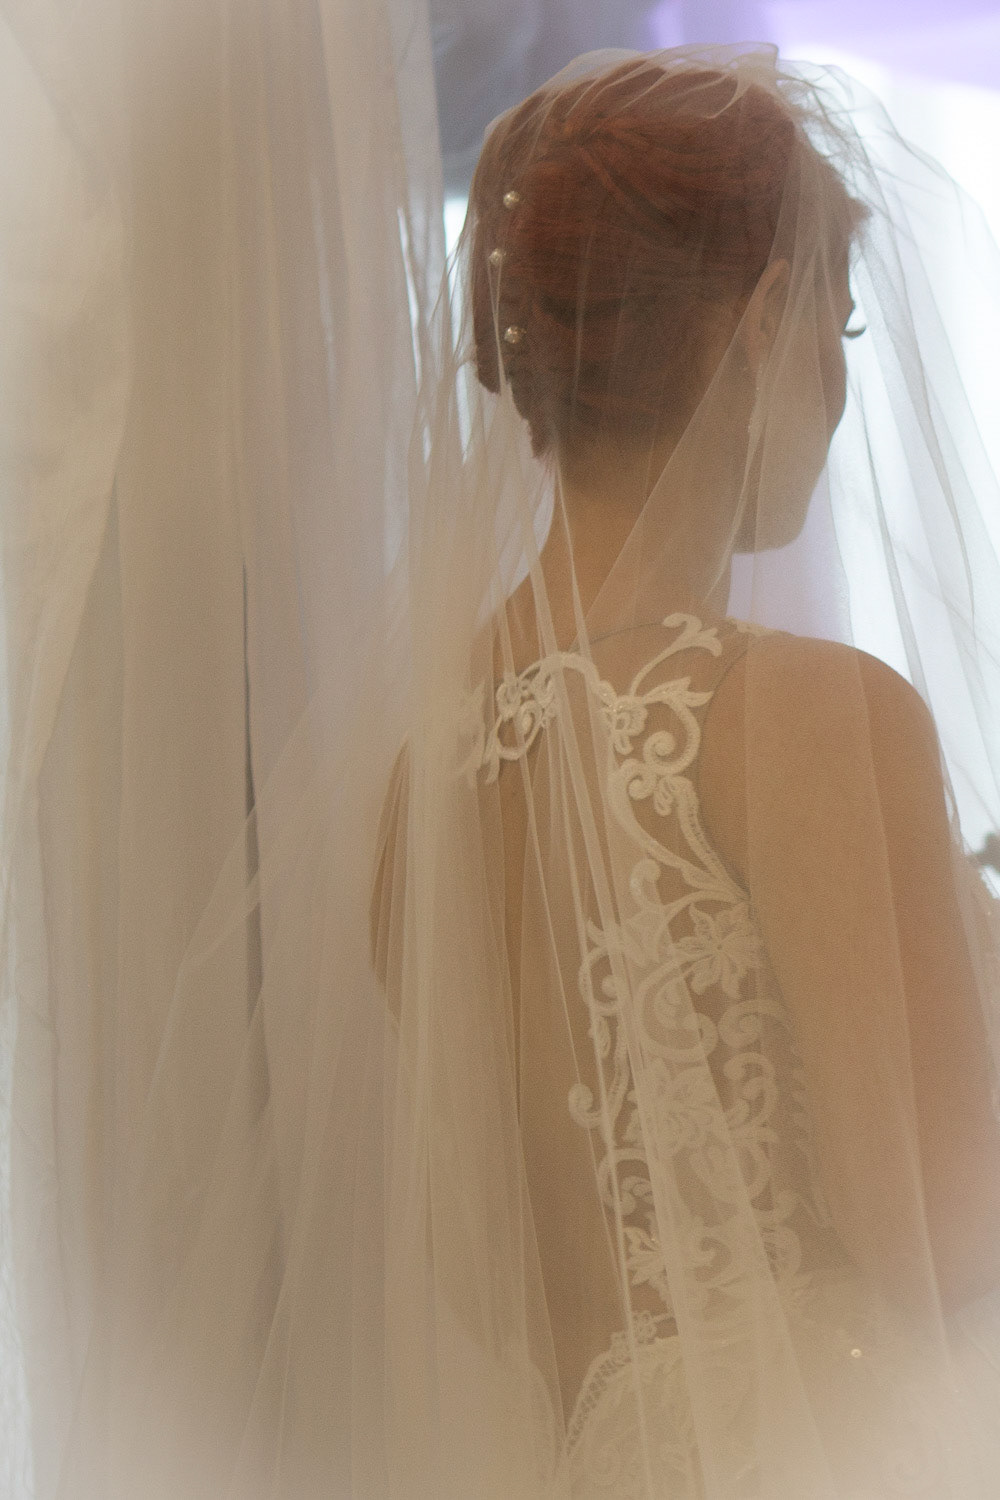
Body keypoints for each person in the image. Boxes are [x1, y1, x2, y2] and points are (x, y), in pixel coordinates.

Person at [368, 47, 1000, 1497]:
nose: (842, 388)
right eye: (837, 322)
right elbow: (943, 1236)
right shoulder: (807, 716)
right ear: (765, 321)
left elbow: (484, 1288)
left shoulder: (417, 795)